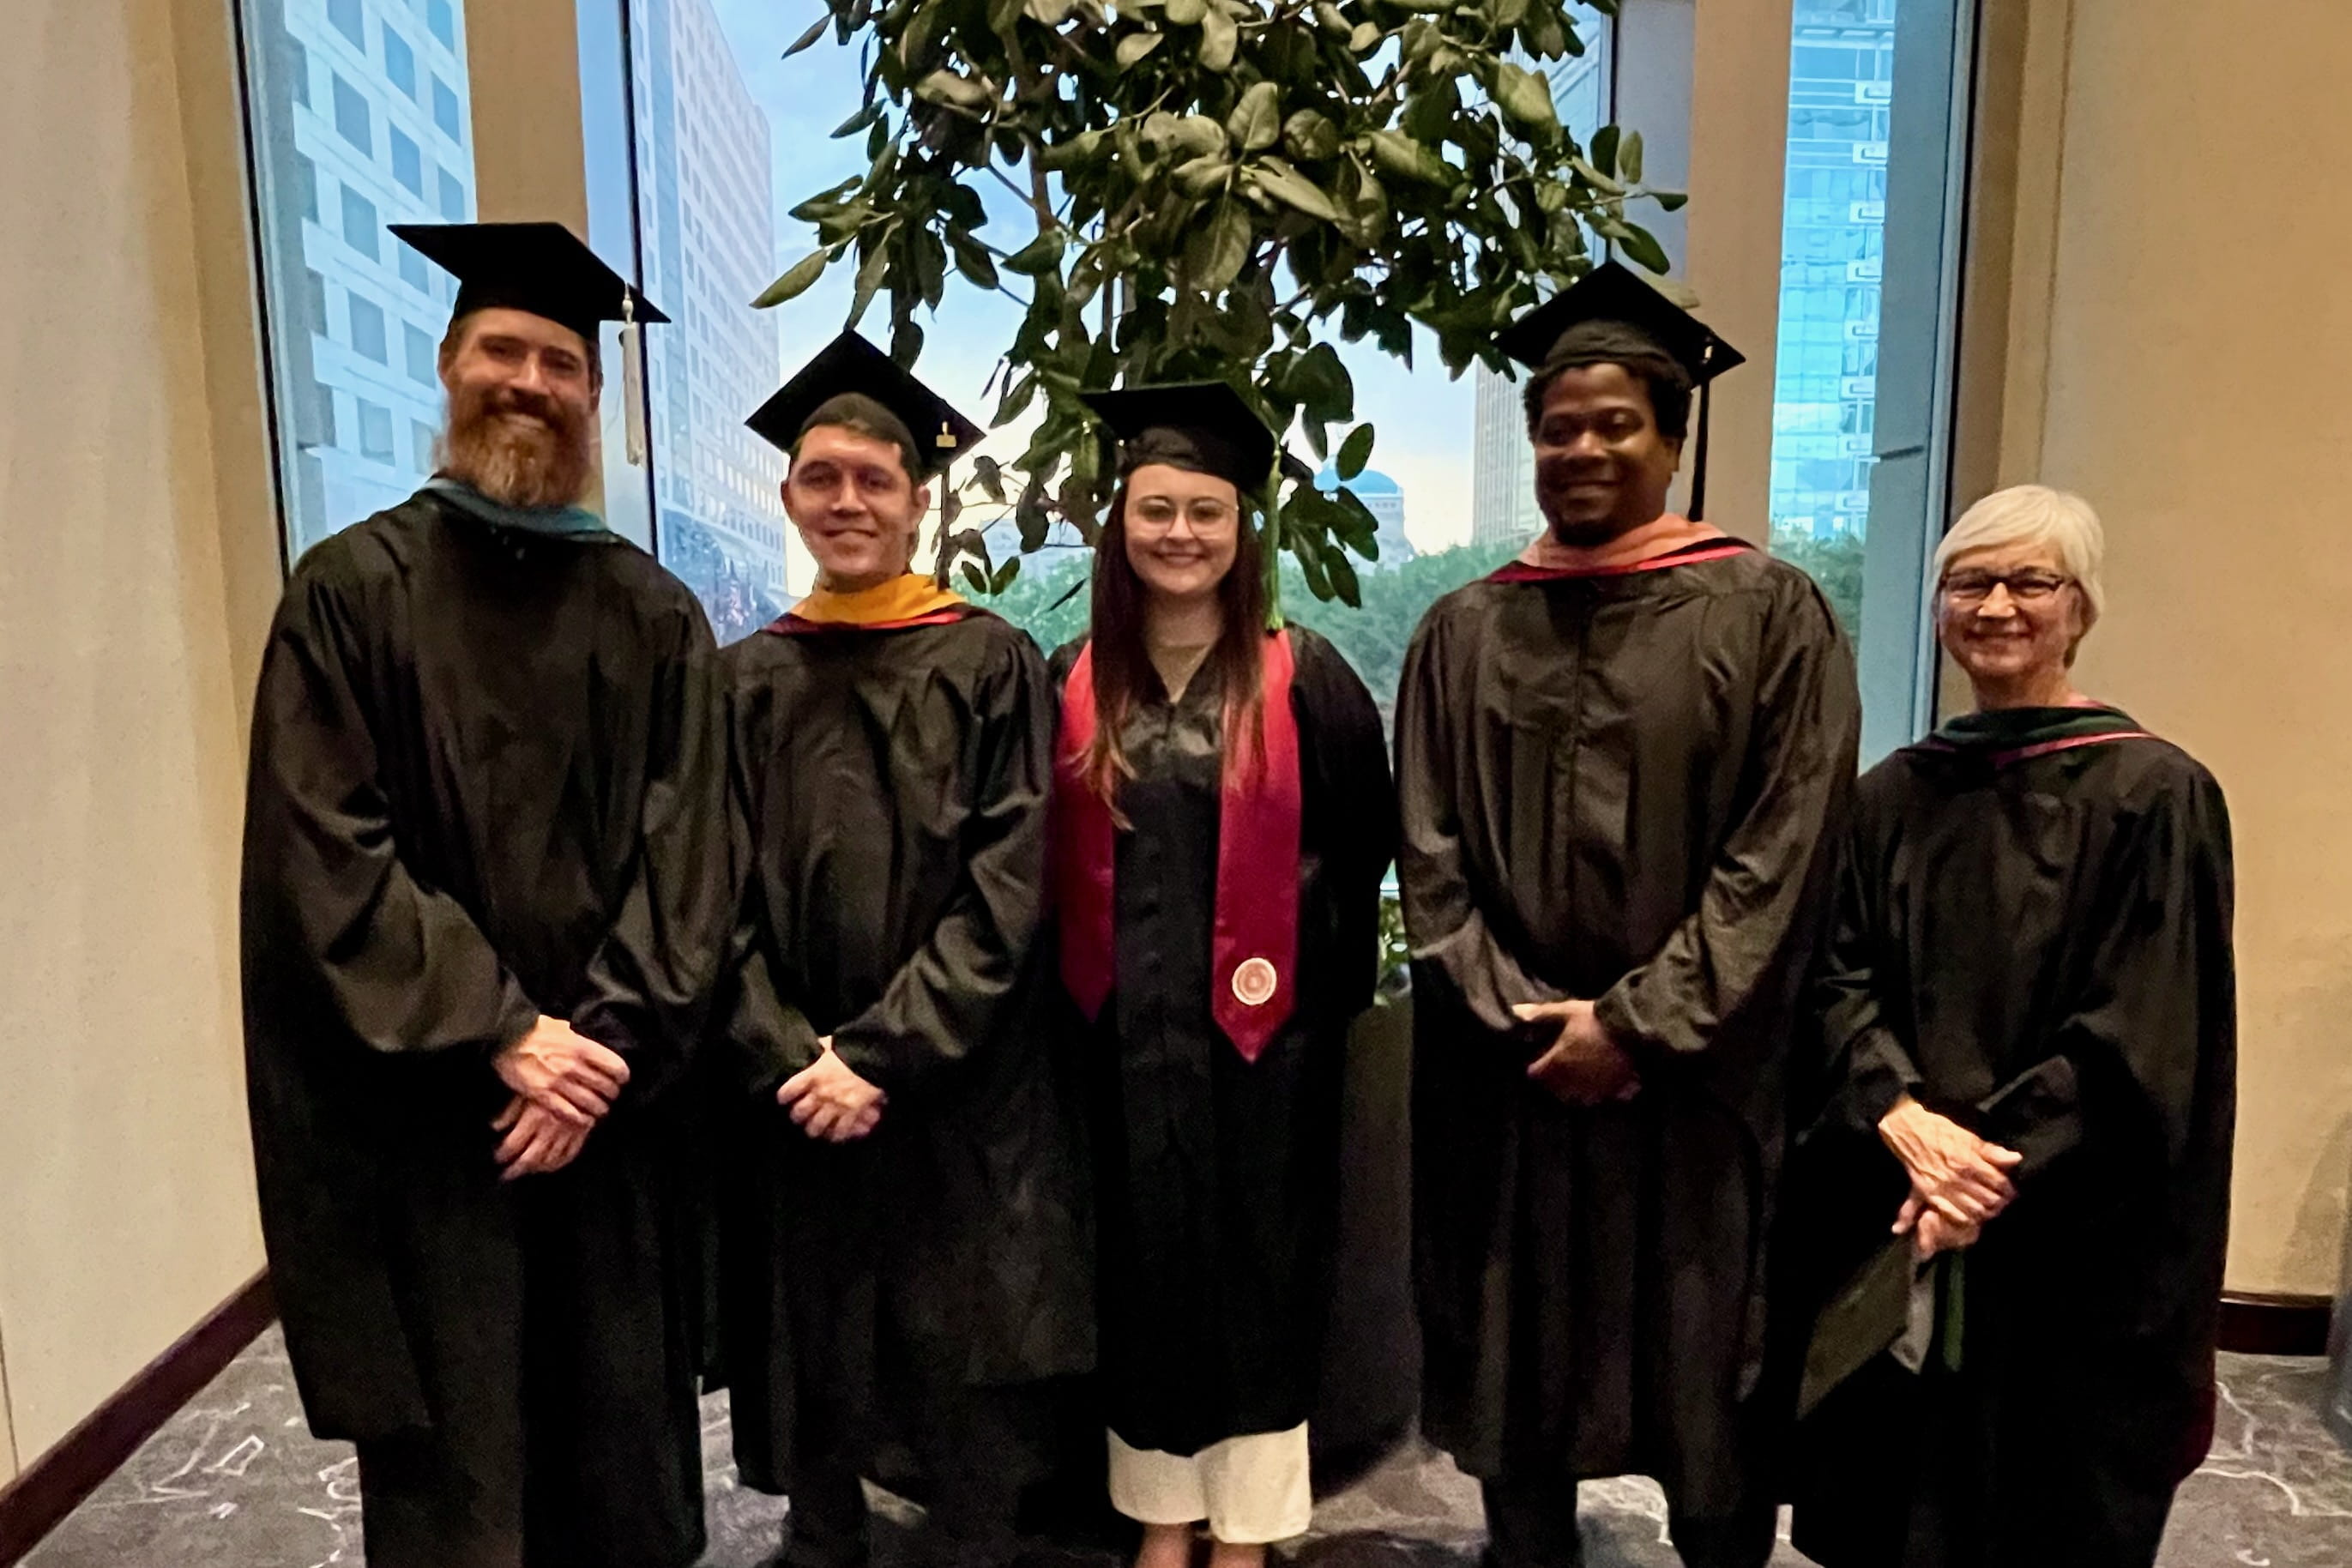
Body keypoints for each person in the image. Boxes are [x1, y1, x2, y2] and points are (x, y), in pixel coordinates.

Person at [240, 221, 727, 1568]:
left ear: (593, 395)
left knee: (618, 1459)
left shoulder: (654, 615)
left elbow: (692, 861)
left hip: (608, 1120)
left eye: (561, 363)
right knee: (459, 1483)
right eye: (503, 351)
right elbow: (324, 845)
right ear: (450, 363)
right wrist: (507, 1031)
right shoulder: (349, 595)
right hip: (433, 1115)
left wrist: (593, 1055)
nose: (529, 382)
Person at [1396, 262, 1861, 1568]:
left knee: (1703, 1365)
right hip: (1514, 1082)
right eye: (1560, 428)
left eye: (1615, 425)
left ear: (1670, 441)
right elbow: (1429, 854)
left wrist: (1640, 1024)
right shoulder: (1462, 629)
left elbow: (1785, 848)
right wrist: (1528, 1020)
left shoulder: (1769, 613)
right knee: (1517, 1369)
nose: (1584, 450)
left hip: (1697, 1084)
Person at [1785, 485, 2235, 1568]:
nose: (1996, 606)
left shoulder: (2155, 796)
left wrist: (1979, 1171)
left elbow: (2145, 1029)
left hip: (2070, 1236)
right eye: (1969, 582)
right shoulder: (1891, 796)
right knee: (1893, 1507)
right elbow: (1835, 978)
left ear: (2080, 608)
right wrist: (1899, 1117)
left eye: (2030, 581)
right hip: (1900, 1199)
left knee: (2045, 1512)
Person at [715, 330, 1094, 1568]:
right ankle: (821, 1534)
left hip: (949, 1086)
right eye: (822, 478)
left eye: (874, 480)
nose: (848, 502)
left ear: (918, 501)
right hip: (794, 1092)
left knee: (958, 1351)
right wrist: (788, 1054)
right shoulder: (741, 679)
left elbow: (1009, 881)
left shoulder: (987, 660)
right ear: (788, 497)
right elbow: (707, 894)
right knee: (815, 1345)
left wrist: (878, 1056)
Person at [1051, 385, 1396, 1568]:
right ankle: (1162, 1515)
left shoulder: (1307, 681)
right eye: (1156, 509)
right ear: (1121, 523)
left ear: (1243, 529)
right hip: (1115, 1049)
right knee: (1139, 1282)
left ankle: (1244, 1531)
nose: (1181, 534)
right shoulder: (1073, 682)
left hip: (1267, 1060)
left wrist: (1310, 1019)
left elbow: (1362, 853)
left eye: (1206, 511)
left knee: (1262, 1283)